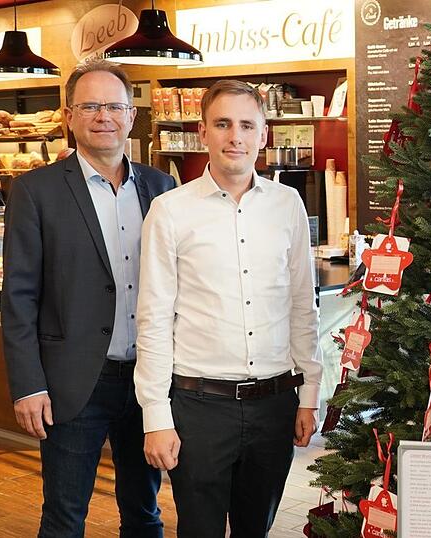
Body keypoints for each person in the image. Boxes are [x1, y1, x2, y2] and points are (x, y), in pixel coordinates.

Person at [135, 79, 321, 537]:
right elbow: (154, 319)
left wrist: (309, 395)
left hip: (275, 403)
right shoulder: (169, 210)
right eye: (222, 124)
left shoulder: (288, 204)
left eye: (246, 125)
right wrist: (156, 417)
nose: (234, 136)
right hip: (199, 407)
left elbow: (303, 303)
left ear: (264, 135)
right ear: (204, 133)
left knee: (255, 529)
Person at [1, 59, 177, 537]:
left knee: (145, 513)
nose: (105, 116)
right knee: (63, 518)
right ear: (69, 116)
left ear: (131, 116)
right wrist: (28, 384)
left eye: (115, 106)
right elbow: (18, 296)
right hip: (74, 383)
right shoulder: (35, 191)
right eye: (91, 105)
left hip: (148, 382)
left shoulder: (162, 189)